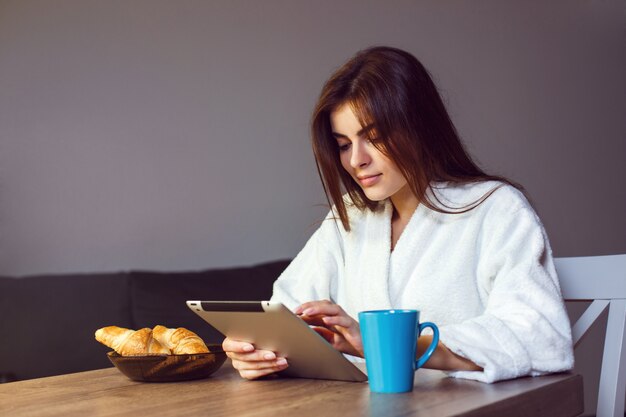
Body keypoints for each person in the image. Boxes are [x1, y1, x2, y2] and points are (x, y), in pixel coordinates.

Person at [223, 46, 574, 383]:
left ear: (419, 127)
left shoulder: (496, 208)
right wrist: (254, 349)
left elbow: (538, 335)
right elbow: (285, 312)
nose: (356, 160)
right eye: (343, 145)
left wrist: (388, 346)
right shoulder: (349, 216)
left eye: (373, 137)